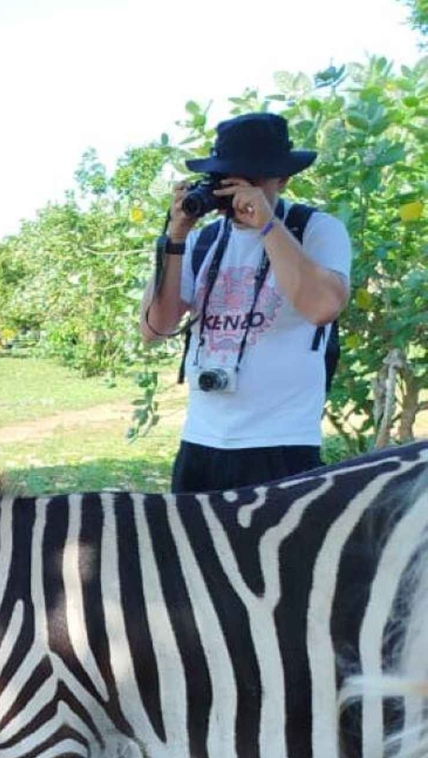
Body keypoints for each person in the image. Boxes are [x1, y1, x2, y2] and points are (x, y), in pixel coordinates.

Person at [139, 112, 352, 493]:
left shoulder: (316, 230)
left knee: (283, 556)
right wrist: (175, 238)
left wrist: (268, 224)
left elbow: (323, 308)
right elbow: (155, 328)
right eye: (226, 179)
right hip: (202, 441)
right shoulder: (204, 241)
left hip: (281, 443)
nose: (236, 193)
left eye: (249, 179)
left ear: (282, 179)